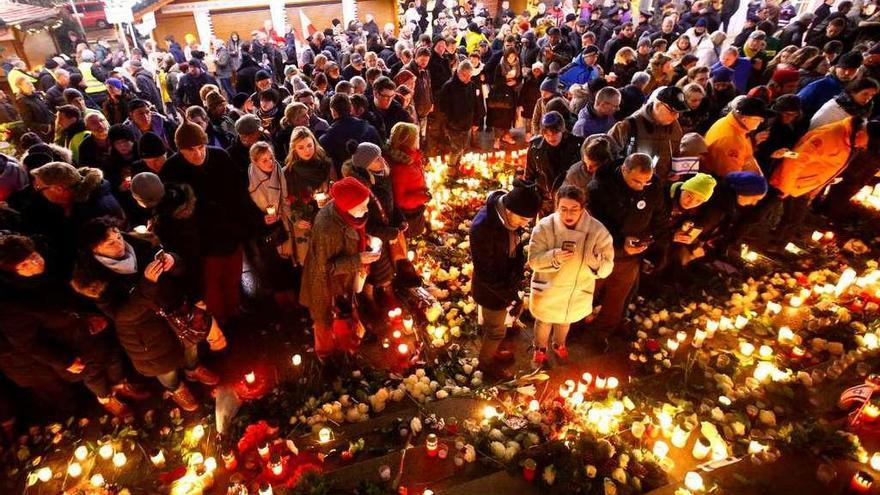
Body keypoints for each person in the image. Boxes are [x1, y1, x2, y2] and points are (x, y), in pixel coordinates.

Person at [71, 217, 216, 412]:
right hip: (146, 332)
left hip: (175, 312)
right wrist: (146, 285)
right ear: (95, 250)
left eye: (118, 235)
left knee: (189, 344)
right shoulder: (94, 279)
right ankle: (175, 388)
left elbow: (178, 268)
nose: (118, 243)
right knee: (164, 365)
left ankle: (192, 369)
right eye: (110, 243)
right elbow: (119, 314)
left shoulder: (142, 243)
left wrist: (173, 261)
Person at [0, 233, 144, 419]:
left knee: (113, 357)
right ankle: (106, 398)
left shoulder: (55, 261)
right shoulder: (14, 302)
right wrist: (64, 360)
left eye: (34, 257)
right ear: (14, 272)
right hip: (72, 345)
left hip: (96, 328)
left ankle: (120, 385)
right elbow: (27, 342)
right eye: (24, 265)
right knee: (94, 375)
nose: (35, 264)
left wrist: (93, 312)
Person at [161, 121, 254, 324]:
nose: (198, 154)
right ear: (180, 150)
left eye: (201, 147)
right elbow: (172, 213)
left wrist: (240, 226)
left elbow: (239, 193)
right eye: (191, 150)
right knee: (211, 286)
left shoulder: (220, 156)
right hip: (202, 242)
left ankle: (234, 308)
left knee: (232, 277)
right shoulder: (171, 169)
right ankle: (218, 320)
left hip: (229, 233)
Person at [527, 185, 614, 365]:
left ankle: (559, 344)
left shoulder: (597, 231)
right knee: (544, 321)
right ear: (556, 206)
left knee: (565, 320)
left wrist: (594, 262)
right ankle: (540, 348)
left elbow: (607, 267)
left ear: (582, 208)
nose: (569, 214)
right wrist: (553, 257)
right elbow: (534, 260)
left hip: (576, 289)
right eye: (563, 209)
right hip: (549, 288)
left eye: (574, 209)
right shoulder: (544, 227)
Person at [300, 177, 379, 361]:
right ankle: (326, 356)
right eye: (362, 207)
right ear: (347, 206)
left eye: (366, 204)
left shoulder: (345, 213)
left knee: (347, 309)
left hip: (343, 280)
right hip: (325, 286)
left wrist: (364, 240)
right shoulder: (328, 229)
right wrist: (358, 259)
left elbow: (351, 236)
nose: (366, 210)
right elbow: (325, 267)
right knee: (325, 321)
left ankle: (350, 341)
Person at [469, 179, 541, 379]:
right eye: (523, 220)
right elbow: (487, 274)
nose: (525, 225)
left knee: (494, 327)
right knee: (496, 331)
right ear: (509, 210)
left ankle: (491, 351)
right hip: (491, 289)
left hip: (503, 283)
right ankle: (485, 364)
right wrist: (511, 299)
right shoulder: (483, 227)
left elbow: (514, 249)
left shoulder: (507, 218)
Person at [587, 153, 665, 337]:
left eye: (646, 181)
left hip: (632, 255)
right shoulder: (600, 187)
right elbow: (596, 223)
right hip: (603, 251)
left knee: (618, 297)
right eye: (636, 181)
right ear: (623, 170)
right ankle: (572, 327)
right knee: (588, 290)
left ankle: (602, 334)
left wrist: (649, 239)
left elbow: (659, 216)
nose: (641, 186)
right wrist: (621, 242)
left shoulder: (653, 187)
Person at [245, 141, 297, 308]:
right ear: (255, 162)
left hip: (283, 222)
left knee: (287, 261)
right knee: (273, 265)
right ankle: (281, 299)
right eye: (264, 160)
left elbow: (286, 197)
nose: (269, 163)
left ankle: (292, 293)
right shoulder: (250, 181)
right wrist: (262, 219)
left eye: (271, 158)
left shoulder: (278, 171)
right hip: (265, 231)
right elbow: (247, 209)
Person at [607, 86, 688, 181]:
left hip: (659, 186)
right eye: (673, 111)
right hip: (631, 186)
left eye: (679, 112)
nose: (676, 117)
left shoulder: (675, 127)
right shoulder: (627, 126)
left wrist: (675, 171)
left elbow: (676, 153)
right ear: (658, 105)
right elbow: (609, 158)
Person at [283, 126, 332, 266]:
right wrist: (296, 220)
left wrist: (328, 196)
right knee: (310, 264)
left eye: (310, 145)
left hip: (326, 221)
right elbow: (284, 201)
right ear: (294, 149)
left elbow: (335, 189)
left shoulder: (326, 165)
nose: (307, 150)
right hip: (304, 224)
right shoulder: (288, 172)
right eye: (301, 147)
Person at [525, 111, 584, 213]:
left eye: (555, 133)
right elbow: (530, 176)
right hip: (546, 201)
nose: (551, 137)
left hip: (570, 200)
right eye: (546, 134)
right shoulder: (535, 147)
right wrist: (537, 200)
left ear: (562, 130)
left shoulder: (576, 145)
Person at [703, 97, 775, 177]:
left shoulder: (733, 125)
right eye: (759, 119)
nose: (761, 122)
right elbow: (731, 178)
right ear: (744, 119)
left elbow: (747, 156)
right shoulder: (731, 140)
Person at [319, 94, 383, 176]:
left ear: (333, 111)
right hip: (370, 176)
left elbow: (327, 164)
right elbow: (380, 151)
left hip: (345, 179)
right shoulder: (369, 128)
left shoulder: (327, 137)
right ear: (350, 108)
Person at [437, 61, 480, 169]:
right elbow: (443, 108)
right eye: (465, 75)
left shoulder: (471, 85)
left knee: (463, 148)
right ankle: (451, 168)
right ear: (458, 73)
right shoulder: (449, 87)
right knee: (456, 149)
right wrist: (449, 122)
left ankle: (458, 166)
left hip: (466, 123)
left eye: (470, 76)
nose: (467, 79)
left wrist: (475, 121)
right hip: (453, 125)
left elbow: (475, 104)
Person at [797, 51, 863, 116]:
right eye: (844, 68)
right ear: (836, 67)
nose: (847, 73)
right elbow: (797, 106)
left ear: (858, 71)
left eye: (852, 70)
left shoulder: (858, 90)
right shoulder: (819, 84)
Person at [811, 77, 879, 129]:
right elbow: (814, 129)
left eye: (872, 95)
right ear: (853, 92)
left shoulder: (863, 110)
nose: (868, 98)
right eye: (865, 94)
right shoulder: (832, 108)